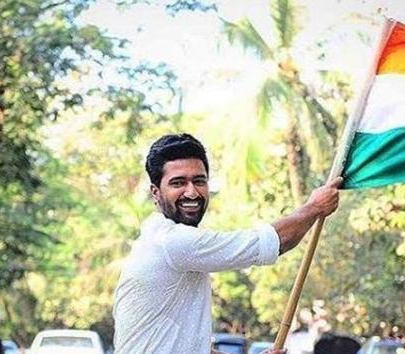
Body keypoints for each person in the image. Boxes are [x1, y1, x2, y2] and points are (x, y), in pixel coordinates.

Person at [113, 134, 342, 354]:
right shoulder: (171, 242)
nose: (192, 192)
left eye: (199, 181)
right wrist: (314, 208)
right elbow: (275, 241)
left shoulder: (164, 243)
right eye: (178, 183)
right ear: (155, 192)